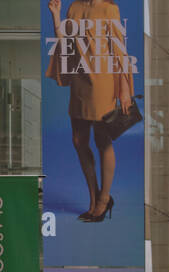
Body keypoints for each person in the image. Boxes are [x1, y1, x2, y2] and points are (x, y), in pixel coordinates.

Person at [45, 0, 134, 224]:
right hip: (79, 78)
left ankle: (102, 200)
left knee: (102, 139)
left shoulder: (108, 9)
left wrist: (124, 88)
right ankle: (95, 196)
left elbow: (119, 48)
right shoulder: (74, 7)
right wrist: (56, 16)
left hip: (102, 80)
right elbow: (65, 45)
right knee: (78, 139)